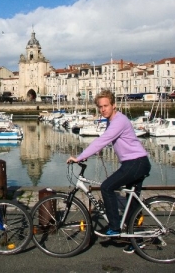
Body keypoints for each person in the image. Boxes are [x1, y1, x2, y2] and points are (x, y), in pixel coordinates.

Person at [67, 89, 151, 254]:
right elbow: (107, 140)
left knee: (106, 187)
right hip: (136, 163)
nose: (103, 109)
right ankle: (135, 240)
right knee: (131, 203)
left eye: (106, 105)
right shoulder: (111, 121)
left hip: (135, 163)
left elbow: (103, 140)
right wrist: (91, 155)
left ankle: (114, 227)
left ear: (114, 105)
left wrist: (80, 156)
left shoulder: (119, 120)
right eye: (100, 106)